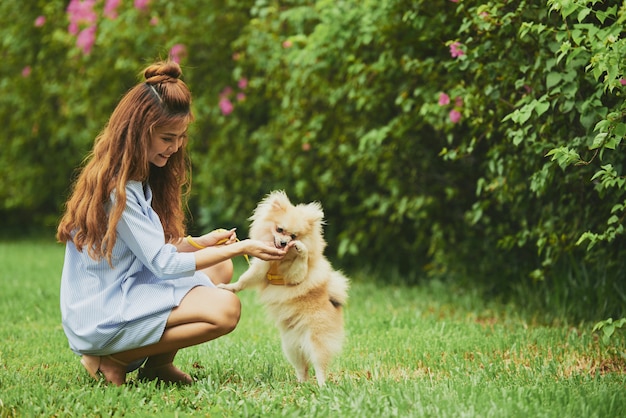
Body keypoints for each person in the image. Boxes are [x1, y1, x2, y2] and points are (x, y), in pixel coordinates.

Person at [56, 60, 288, 386]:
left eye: (180, 137)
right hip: (102, 314)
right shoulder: (117, 191)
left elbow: (151, 250)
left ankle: (157, 366)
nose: (176, 146)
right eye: (167, 137)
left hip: (123, 290)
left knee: (219, 270)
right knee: (225, 308)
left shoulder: (137, 179)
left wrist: (204, 242)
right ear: (139, 131)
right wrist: (245, 248)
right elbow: (163, 265)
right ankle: (114, 360)